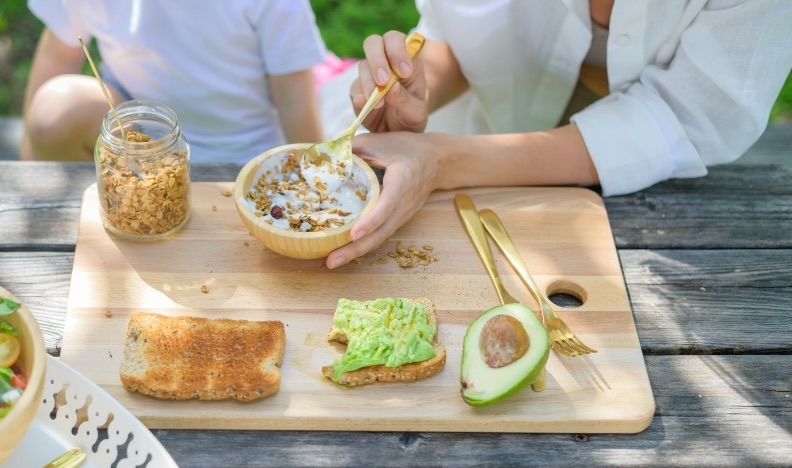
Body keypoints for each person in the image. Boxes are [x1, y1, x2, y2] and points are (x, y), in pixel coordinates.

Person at [325, 0, 792, 270]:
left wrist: (443, 160)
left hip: (663, 211)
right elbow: (465, 34)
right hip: (487, 125)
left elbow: (685, 113)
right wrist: (416, 87)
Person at [20, 0, 328, 163]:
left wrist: (315, 175)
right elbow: (58, 55)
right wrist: (30, 159)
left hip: (246, 158)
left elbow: (295, 102)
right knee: (55, 106)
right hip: (139, 149)